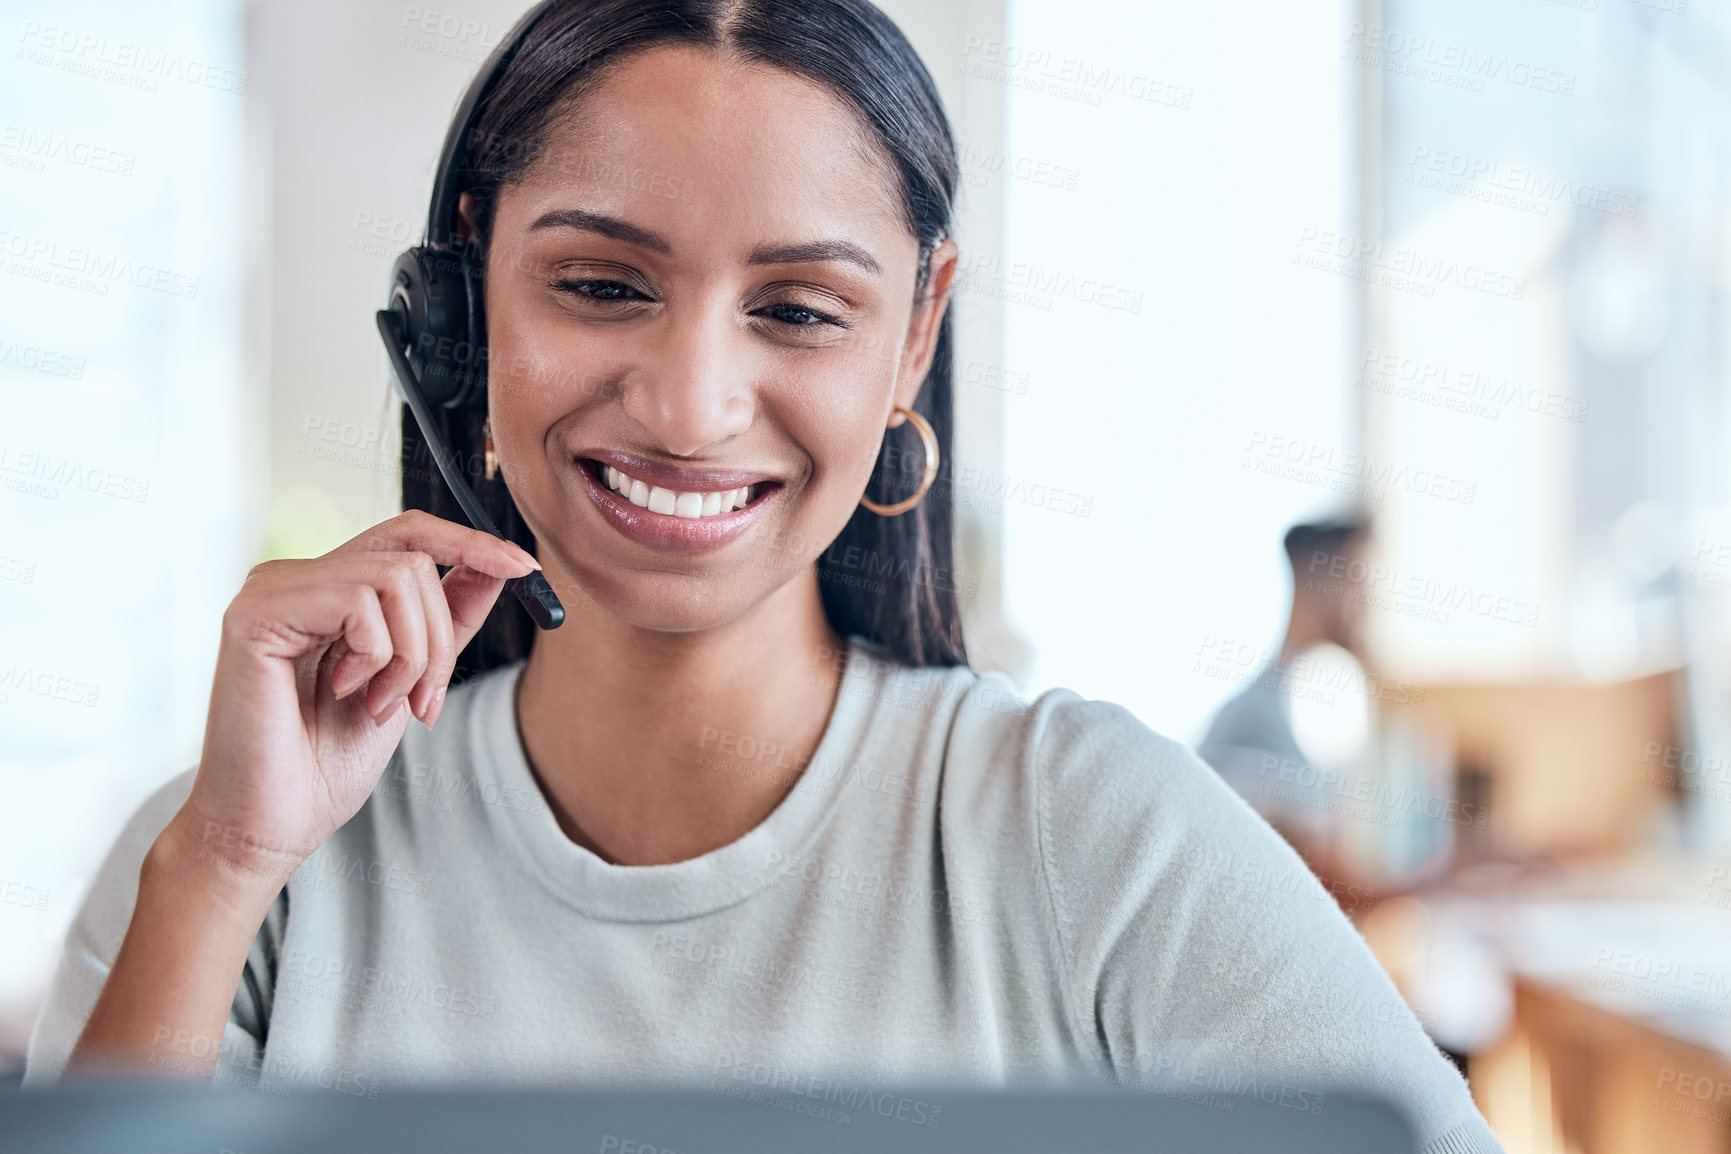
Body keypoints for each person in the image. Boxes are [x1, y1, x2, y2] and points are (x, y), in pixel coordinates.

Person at [24, 4, 1502, 1151]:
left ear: (914, 331)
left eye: (796, 309)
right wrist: (221, 870)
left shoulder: (1087, 834)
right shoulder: (233, 859)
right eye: (601, 285)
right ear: (467, 290)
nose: (686, 404)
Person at [1197, 517, 1373, 882]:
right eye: (1357, 579)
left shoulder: (1324, 707)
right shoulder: (1254, 718)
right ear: (1313, 575)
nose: (1368, 599)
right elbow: (1321, 888)